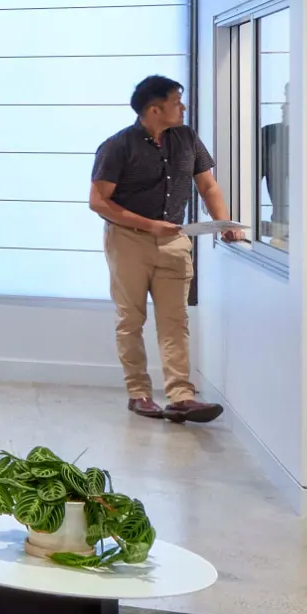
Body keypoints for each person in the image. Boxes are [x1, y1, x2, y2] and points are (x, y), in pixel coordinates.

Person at [88, 73, 239, 422]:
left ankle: (181, 396)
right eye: (176, 102)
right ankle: (138, 393)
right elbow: (98, 202)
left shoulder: (187, 138)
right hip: (128, 241)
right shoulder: (117, 146)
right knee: (131, 319)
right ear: (155, 110)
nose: (182, 108)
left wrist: (224, 223)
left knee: (175, 320)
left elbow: (208, 186)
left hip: (175, 241)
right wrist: (149, 225)